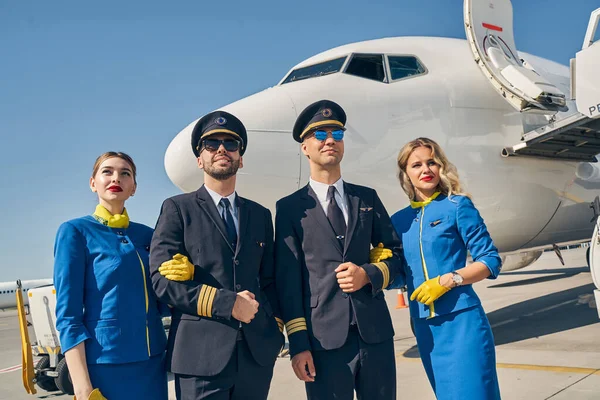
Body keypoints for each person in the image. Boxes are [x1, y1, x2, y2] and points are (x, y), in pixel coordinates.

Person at [149, 110, 284, 400]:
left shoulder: (260, 215)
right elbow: (162, 281)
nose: (222, 149)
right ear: (200, 159)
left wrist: (274, 328)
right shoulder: (177, 209)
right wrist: (228, 303)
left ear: (240, 158)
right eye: (211, 144)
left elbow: (269, 280)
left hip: (255, 355)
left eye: (231, 144)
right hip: (200, 358)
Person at [275, 100, 404, 400]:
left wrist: (368, 274)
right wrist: (298, 343)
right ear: (305, 147)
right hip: (322, 342)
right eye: (319, 134)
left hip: (375, 335)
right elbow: (288, 283)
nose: (330, 140)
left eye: (336, 133)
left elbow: (396, 254)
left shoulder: (367, 198)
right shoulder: (290, 209)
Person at [389, 137, 502, 400]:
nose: (425, 170)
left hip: (462, 321)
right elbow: (399, 280)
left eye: (432, 162)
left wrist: (449, 280)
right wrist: (382, 265)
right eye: (416, 165)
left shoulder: (457, 205)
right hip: (424, 327)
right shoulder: (398, 221)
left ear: (441, 167)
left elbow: (490, 260)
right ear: (406, 173)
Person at [53, 152, 168, 400]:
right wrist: (82, 386)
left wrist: (181, 277)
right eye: (107, 171)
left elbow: (163, 303)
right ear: (93, 183)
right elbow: (68, 316)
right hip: (105, 365)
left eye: (125, 173)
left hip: (152, 363)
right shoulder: (75, 232)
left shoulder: (149, 235)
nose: (116, 177)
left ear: (134, 188)